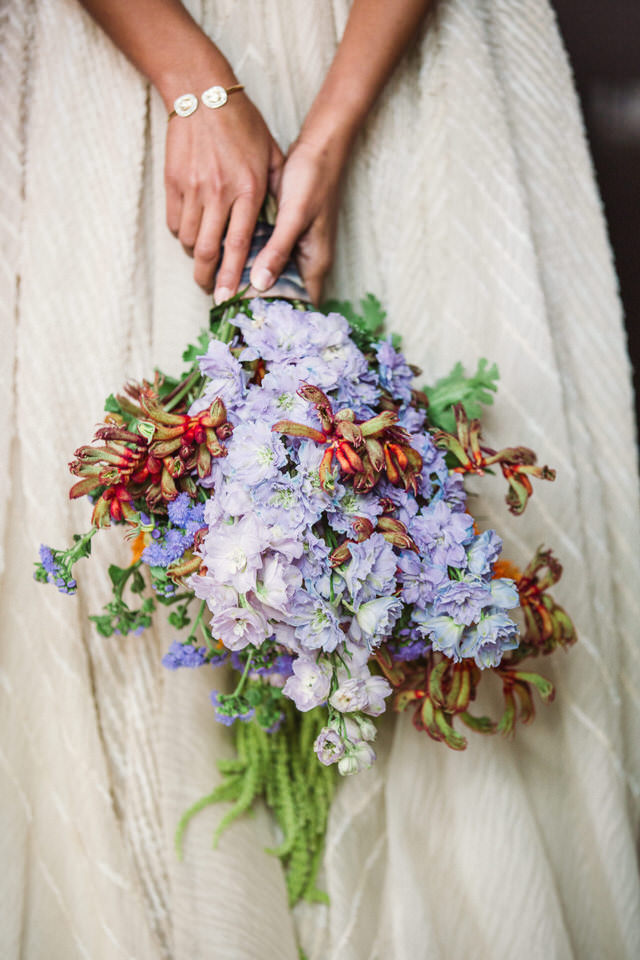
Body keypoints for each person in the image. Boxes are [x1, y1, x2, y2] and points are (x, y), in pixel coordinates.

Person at [2, 1, 639, 958]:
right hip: (122, 54)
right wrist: (191, 81)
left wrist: (335, 128)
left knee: (457, 536)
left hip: (403, 49)